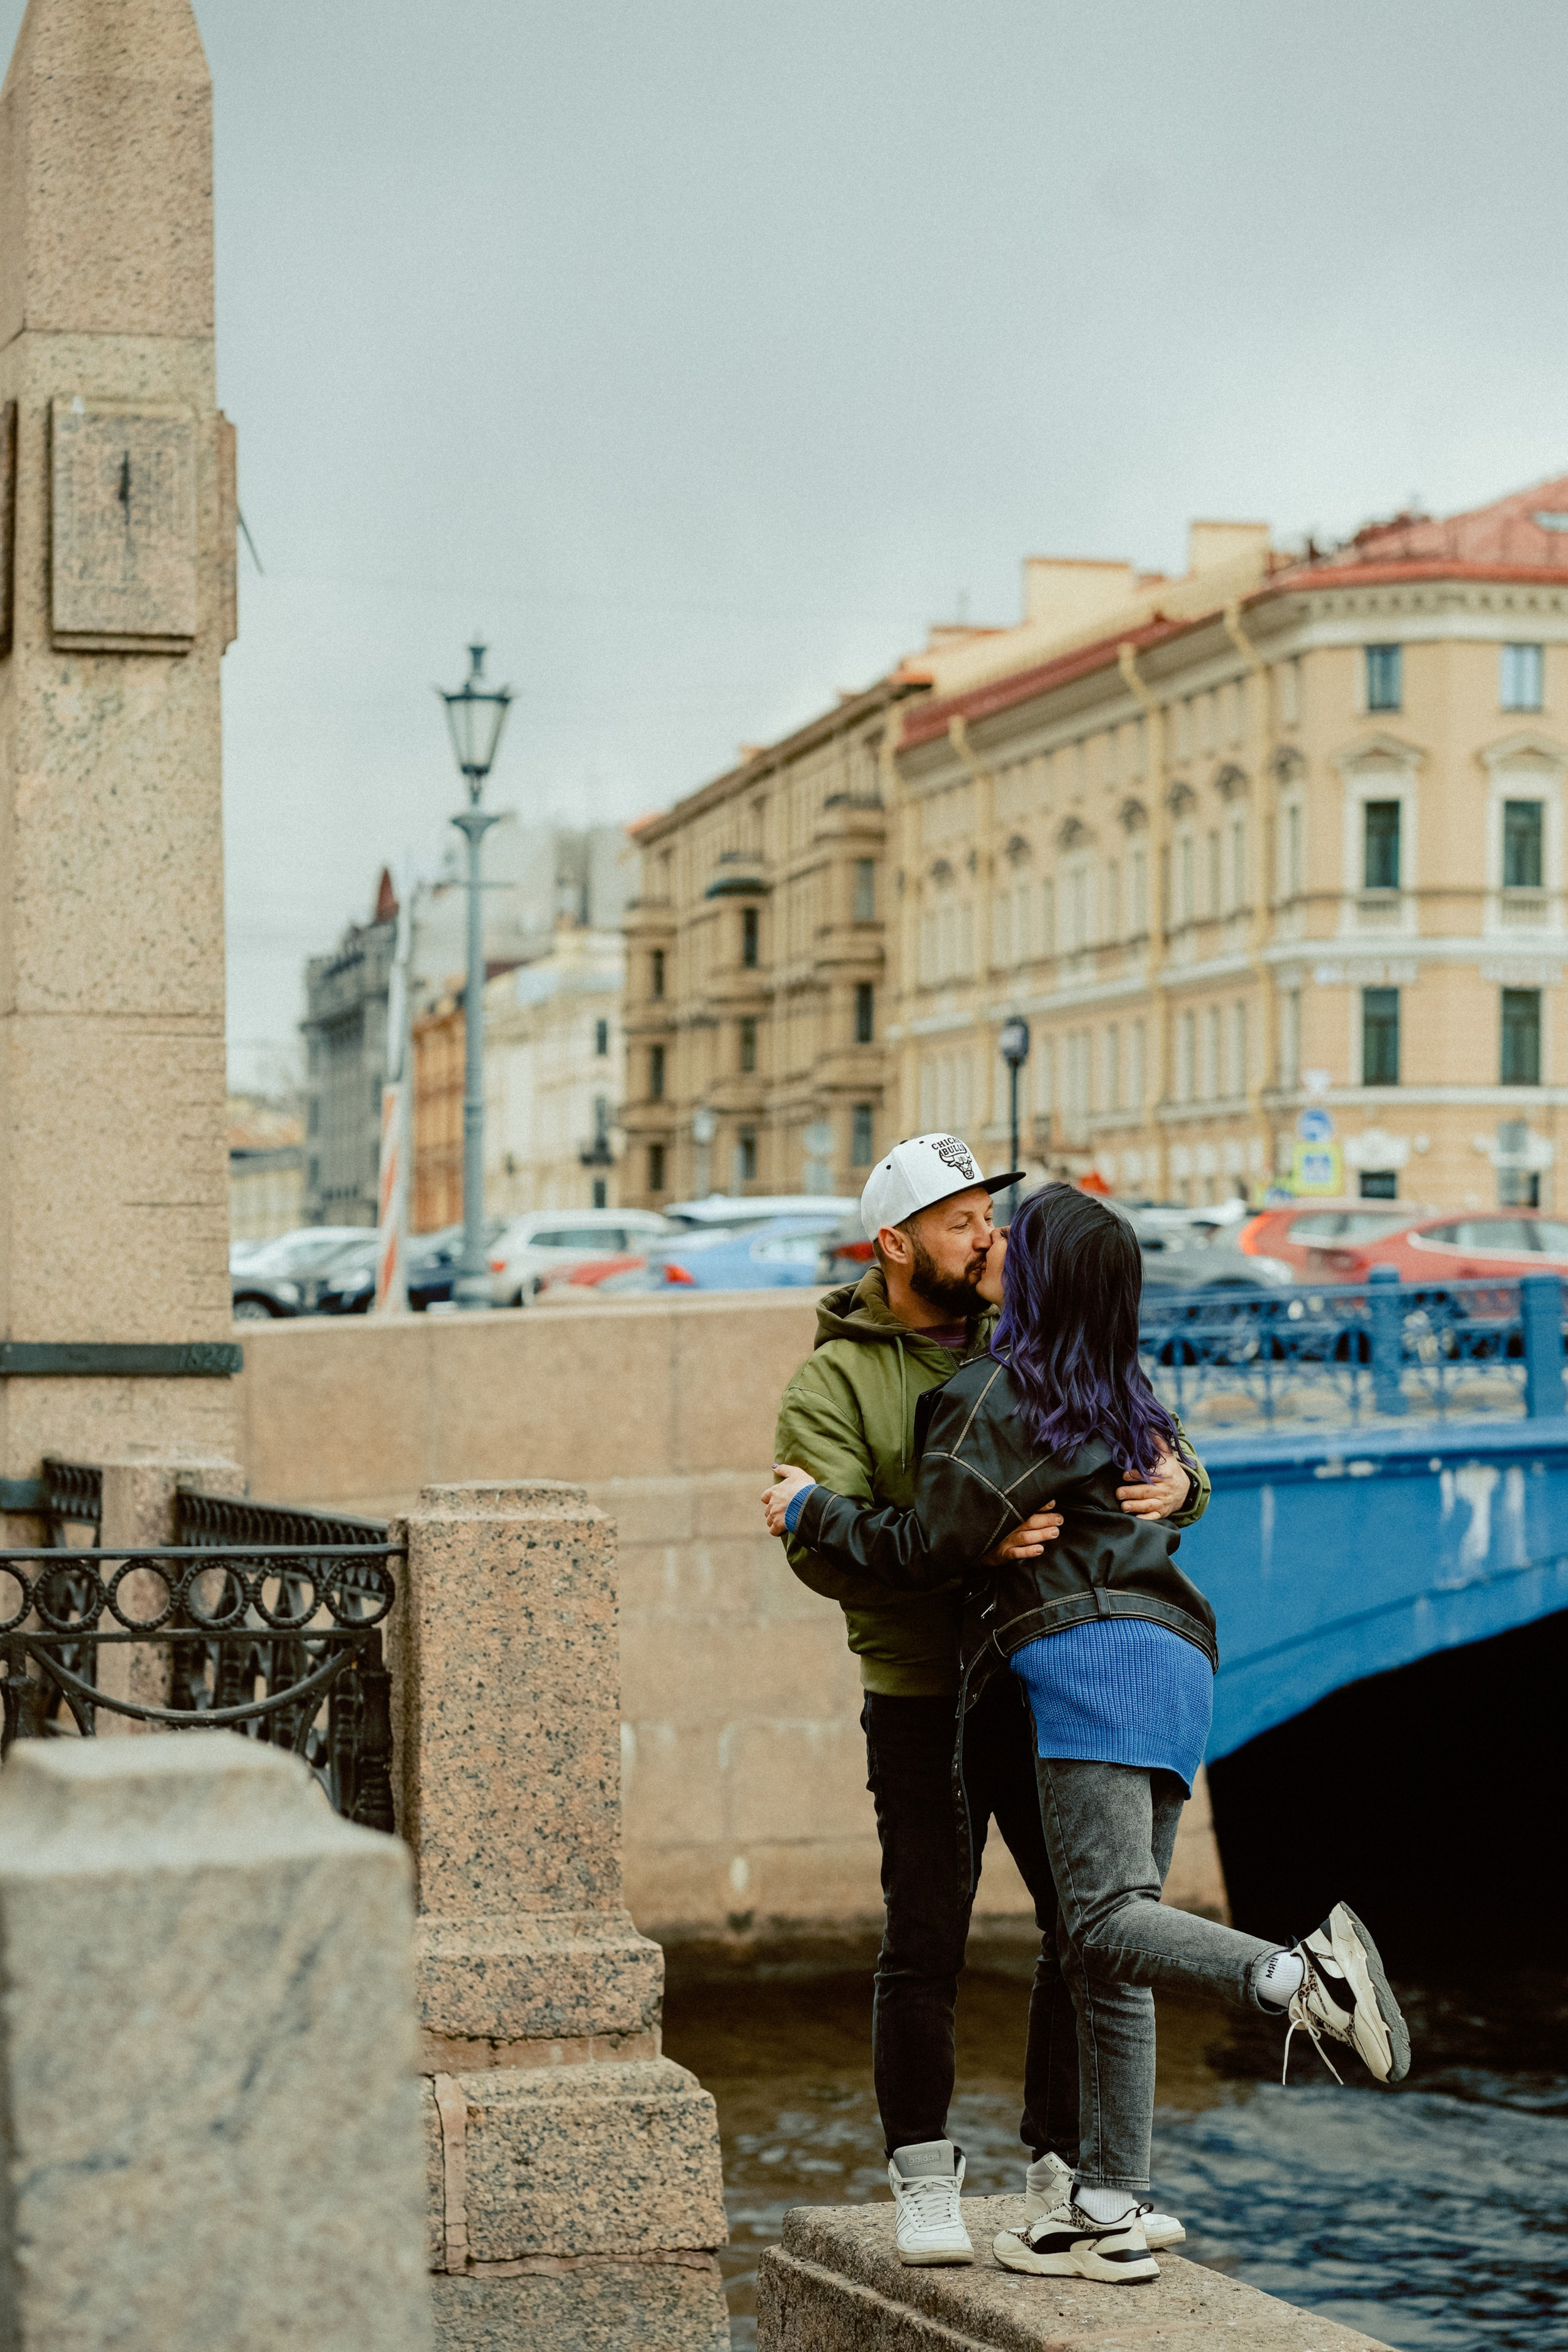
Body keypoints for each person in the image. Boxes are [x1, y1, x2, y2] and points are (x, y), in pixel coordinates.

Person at [897, 1183, 1410, 2285]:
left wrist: (816, 1511)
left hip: (1087, 1661)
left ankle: (1295, 1976)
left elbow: (933, 1535)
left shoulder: (992, 1390)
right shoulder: (1124, 1393)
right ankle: (1109, 2208)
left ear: (1036, 1280)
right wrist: (1185, 1485)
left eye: (1011, 1240)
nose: (993, 1244)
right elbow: (1175, 1483)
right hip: (1179, 1661)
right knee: (1109, 1958)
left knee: (1103, 1924)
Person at [767, 1136, 1204, 2267]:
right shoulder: (834, 1381)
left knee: (1079, 1931)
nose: (985, 1236)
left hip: (1038, 1676)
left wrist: (1187, 1478)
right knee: (924, 1937)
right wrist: (976, 1547)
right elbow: (821, 1555)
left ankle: (1062, 2166)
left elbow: (1116, 1424)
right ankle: (923, 2175)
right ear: (896, 1243)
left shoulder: (1021, 1333)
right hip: (921, 1691)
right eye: (961, 1221)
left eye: (990, 1217)